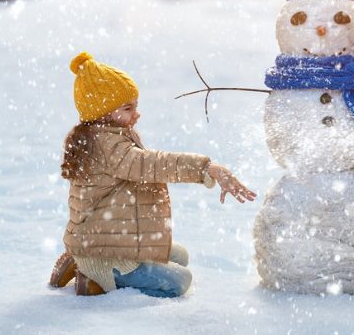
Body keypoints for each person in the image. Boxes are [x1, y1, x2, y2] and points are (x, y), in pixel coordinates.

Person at [48, 52, 256, 297]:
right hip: (107, 248)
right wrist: (205, 168)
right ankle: (97, 276)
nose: (136, 114)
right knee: (179, 282)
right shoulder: (108, 146)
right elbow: (152, 164)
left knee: (179, 255)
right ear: (102, 112)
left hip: (102, 237)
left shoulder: (101, 135)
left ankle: (82, 259)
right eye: (127, 108)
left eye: (135, 106)